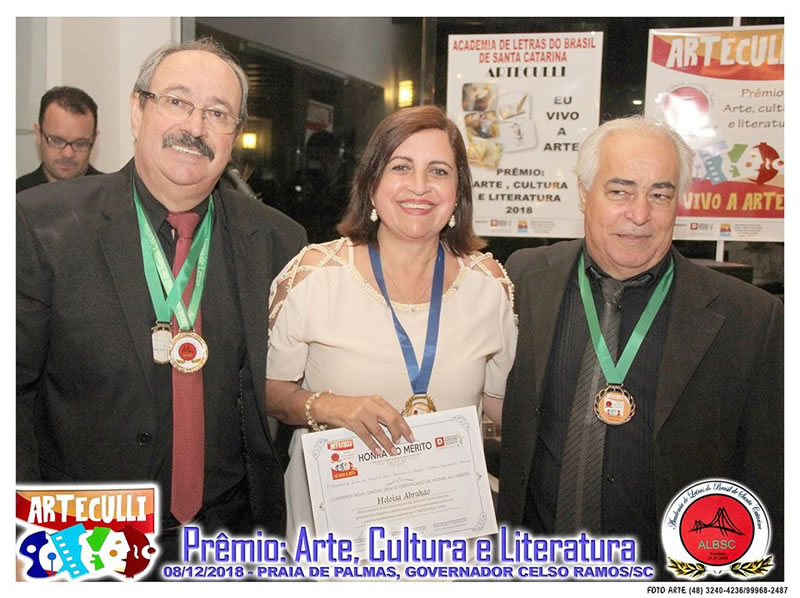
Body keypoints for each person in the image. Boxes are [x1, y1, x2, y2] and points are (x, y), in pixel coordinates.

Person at [16, 38, 306, 572]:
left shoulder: (278, 241)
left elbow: (287, 387)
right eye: (177, 101)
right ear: (137, 109)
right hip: (83, 537)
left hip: (231, 539)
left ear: (234, 133)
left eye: (217, 113)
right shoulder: (40, 226)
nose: (195, 127)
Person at [497, 116, 783, 579]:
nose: (639, 214)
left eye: (660, 195)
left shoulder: (751, 318)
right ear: (583, 193)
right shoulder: (525, 277)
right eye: (620, 191)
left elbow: (769, 481)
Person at [266, 105, 517, 545]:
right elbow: (267, 391)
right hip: (336, 537)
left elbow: (503, 405)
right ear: (371, 184)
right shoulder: (314, 275)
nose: (419, 186)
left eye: (438, 171)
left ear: (458, 192)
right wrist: (328, 406)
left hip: (447, 536)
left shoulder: (488, 285)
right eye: (401, 167)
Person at [17, 86, 103, 192]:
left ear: (94, 140)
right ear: (38, 134)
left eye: (80, 143)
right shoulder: (17, 196)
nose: (68, 154)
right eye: (57, 141)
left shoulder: (114, 195)